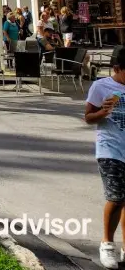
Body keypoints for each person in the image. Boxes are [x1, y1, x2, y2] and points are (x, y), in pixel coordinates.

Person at [85, 48, 125, 268]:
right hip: (110, 149)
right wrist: (102, 113)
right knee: (116, 197)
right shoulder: (101, 87)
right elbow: (88, 117)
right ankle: (106, 243)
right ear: (116, 69)